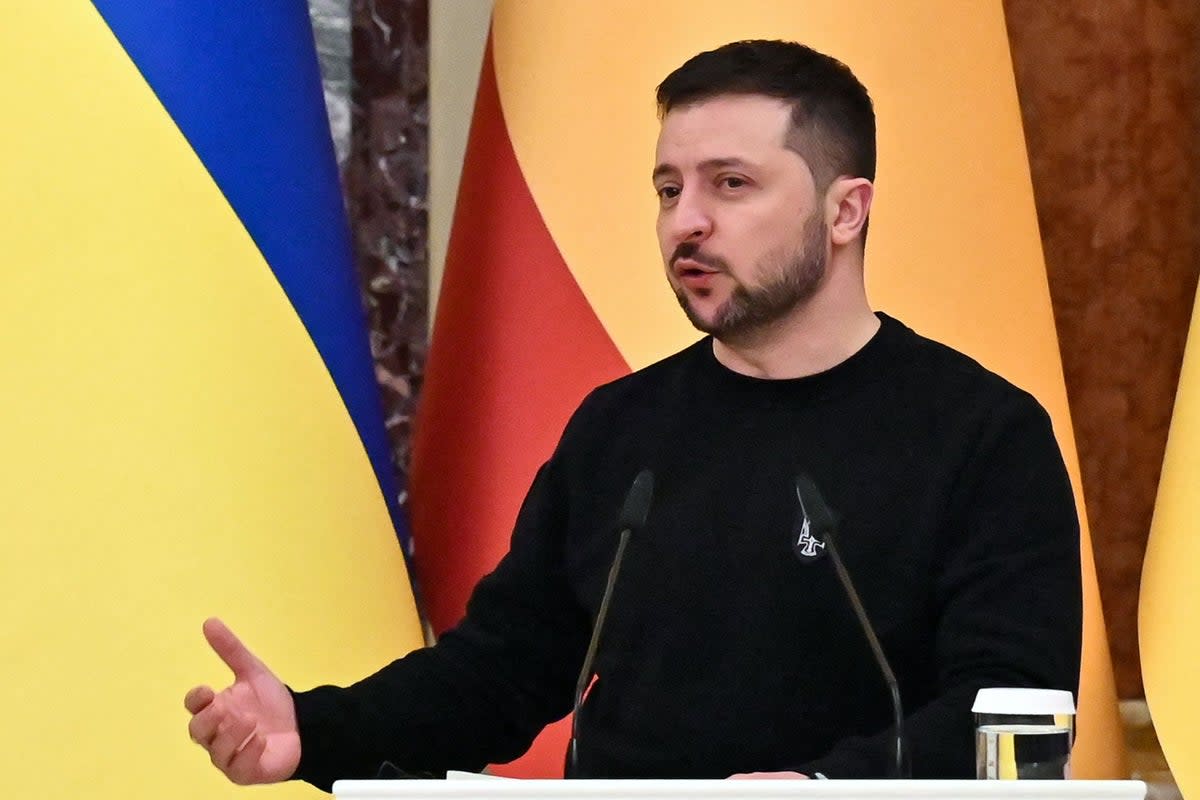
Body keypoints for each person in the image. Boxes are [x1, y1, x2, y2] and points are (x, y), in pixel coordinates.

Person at [185, 39, 1082, 788]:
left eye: (730, 184)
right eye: (667, 189)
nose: (684, 222)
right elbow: (501, 670)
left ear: (846, 211)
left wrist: (823, 789)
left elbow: (1016, 722)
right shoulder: (623, 431)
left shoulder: (982, 435)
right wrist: (314, 730)